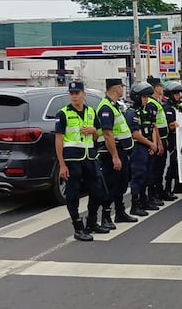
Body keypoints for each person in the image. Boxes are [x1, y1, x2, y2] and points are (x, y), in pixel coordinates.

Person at [54, 81, 110, 241]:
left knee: (98, 192)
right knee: (72, 195)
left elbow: (97, 135)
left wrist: (93, 131)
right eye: (72, 93)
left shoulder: (91, 112)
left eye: (77, 93)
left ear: (83, 94)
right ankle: (78, 227)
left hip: (90, 158)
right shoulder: (63, 114)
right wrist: (62, 165)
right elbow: (58, 140)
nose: (74, 96)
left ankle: (92, 222)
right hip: (72, 159)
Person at [92, 78, 137, 231]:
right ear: (116, 88)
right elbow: (107, 134)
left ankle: (120, 212)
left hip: (121, 151)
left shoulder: (114, 106)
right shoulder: (106, 107)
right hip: (111, 153)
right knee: (111, 185)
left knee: (121, 183)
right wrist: (115, 156)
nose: (123, 89)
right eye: (121, 87)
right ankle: (105, 216)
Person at [125, 82, 160, 217]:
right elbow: (135, 134)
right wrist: (151, 144)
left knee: (147, 175)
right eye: (143, 97)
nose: (146, 99)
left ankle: (144, 200)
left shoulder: (147, 111)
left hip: (148, 146)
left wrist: (154, 144)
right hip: (138, 147)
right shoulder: (132, 113)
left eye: (147, 96)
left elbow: (152, 128)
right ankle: (135, 204)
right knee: (138, 176)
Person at [162, 81, 182, 196]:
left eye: (179, 94)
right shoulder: (167, 108)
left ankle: (179, 185)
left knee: (180, 163)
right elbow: (171, 124)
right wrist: (179, 124)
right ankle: (167, 188)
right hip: (172, 139)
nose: (178, 96)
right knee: (173, 163)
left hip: (181, 138)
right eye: (175, 94)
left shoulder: (179, 106)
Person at [146, 77, 169, 205]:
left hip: (162, 138)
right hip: (157, 140)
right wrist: (159, 142)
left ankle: (159, 192)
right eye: (160, 86)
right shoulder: (151, 103)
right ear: (155, 87)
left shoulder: (157, 102)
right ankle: (153, 194)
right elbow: (154, 125)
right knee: (155, 170)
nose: (162, 88)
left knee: (160, 168)